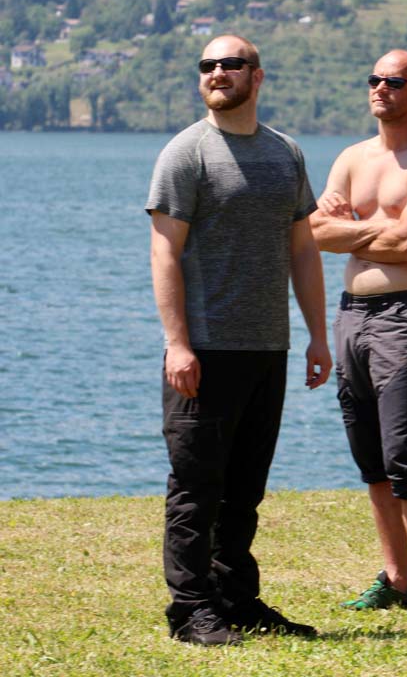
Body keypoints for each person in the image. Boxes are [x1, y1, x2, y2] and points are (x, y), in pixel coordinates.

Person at [147, 35, 331, 646]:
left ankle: (236, 599)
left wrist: (317, 336)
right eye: (208, 65)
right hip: (204, 349)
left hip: (267, 348)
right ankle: (190, 609)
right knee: (196, 487)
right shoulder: (187, 154)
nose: (218, 73)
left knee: (245, 488)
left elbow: (302, 249)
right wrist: (178, 343)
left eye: (231, 64)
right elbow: (164, 252)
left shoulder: (286, 153)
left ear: (258, 76)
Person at [311, 50, 407, 616]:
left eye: (393, 81)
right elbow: (312, 232)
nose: (380, 88)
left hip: (406, 314)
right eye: (374, 79)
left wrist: (350, 228)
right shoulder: (352, 158)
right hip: (351, 313)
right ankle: (394, 576)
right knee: (369, 454)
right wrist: (378, 229)